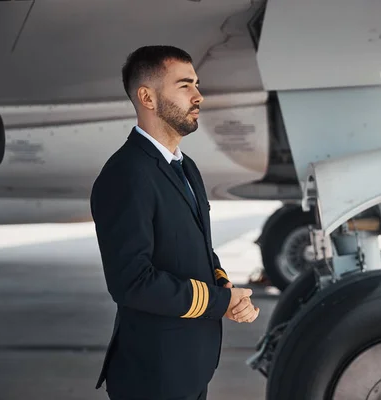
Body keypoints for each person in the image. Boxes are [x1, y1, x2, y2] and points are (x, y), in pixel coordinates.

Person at [90, 45, 260, 400]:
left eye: (196, 84)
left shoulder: (185, 167)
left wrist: (227, 291)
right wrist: (218, 303)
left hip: (188, 368)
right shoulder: (127, 174)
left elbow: (199, 250)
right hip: (153, 375)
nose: (198, 95)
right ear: (147, 98)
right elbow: (132, 282)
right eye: (185, 86)